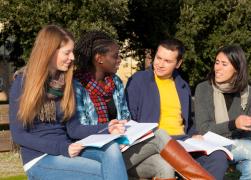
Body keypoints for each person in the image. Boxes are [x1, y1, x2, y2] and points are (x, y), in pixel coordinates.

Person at [73, 31, 214, 180]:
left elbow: (127, 120)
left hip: (122, 148)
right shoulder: (77, 86)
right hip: (97, 153)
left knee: (164, 166)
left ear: (178, 64)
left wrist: (124, 135)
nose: (120, 60)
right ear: (99, 59)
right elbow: (77, 130)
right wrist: (108, 131)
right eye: (115, 56)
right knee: (159, 134)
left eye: (167, 60)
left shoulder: (116, 83)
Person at [9, 25, 128, 180]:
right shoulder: (23, 82)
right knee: (104, 172)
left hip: (68, 148)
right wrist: (62, 148)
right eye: (67, 52)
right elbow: (19, 135)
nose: (72, 57)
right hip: (39, 158)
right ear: (50, 52)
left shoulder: (66, 83)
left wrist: (107, 127)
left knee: (112, 149)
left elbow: (74, 129)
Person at [126, 39, 228, 180]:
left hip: (183, 141)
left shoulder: (182, 85)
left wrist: (195, 134)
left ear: (178, 64)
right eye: (158, 58)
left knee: (219, 156)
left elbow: (189, 120)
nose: (160, 64)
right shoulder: (139, 80)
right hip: (155, 142)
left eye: (167, 61)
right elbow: (130, 119)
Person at [194, 44, 251, 180]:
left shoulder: (250, 93)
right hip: (212, 146)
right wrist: (234, 124)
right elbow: (203, 129)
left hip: (239, 147)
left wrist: (241, 144)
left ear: (237, 69)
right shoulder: (203, 89)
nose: (218, 68)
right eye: (217, 62)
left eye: (224, 64)